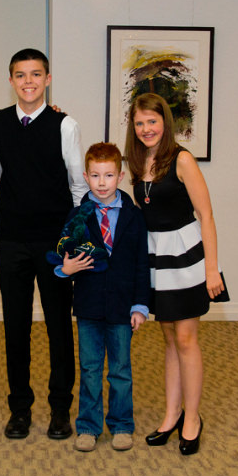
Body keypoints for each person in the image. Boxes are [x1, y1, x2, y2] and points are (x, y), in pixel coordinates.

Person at [0, 48, 89, 439]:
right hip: (11, 239)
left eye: (35, 74)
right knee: (16, 327)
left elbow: (78, 186)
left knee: (59, 325)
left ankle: (60, 408)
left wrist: (74, 240)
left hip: (54, 242)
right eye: (20, 75)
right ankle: (20, 409)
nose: (28, 81)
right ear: (11, 80)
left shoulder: (65, 125)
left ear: (47, 79)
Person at [125, 92, 229, 455]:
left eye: (152, 122)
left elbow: (207, 215)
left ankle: (193, 418)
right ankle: (171, 415)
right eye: (139, 123)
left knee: (186, 340)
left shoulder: (182, 159)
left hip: (186, 259)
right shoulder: (138, 161)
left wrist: (212, 269)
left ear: (165, 123)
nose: (146, 129)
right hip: (156, 259)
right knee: (169, 339)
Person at [52, 142, 149, 452]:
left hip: (122, 307)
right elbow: (63, 254)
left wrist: (140, 305)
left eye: (109, 175)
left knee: (120, 370)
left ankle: (121, 425)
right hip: (89, 307)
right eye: (95, 176)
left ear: (120, 177)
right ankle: (89, 426)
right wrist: (64, 268)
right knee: (91, 369)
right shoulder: (78, 215)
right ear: (86, 176)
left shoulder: (134, 217)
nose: (102, 182)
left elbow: (141, 263)